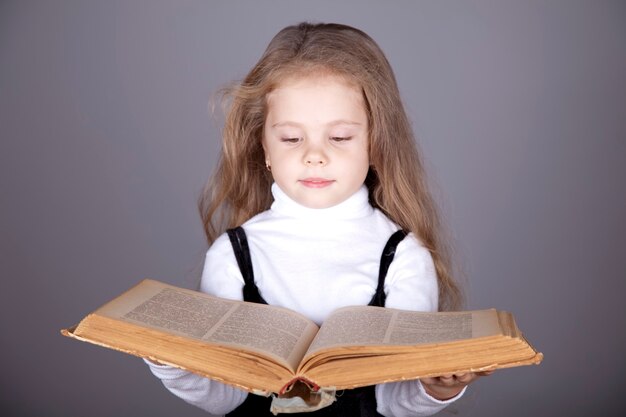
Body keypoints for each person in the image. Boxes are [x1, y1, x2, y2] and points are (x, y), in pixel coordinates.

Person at [146, 22, 492, 416]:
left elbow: (397, 403)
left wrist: (436, 388)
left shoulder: (402, 257)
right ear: (264, 147)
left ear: (376, 143)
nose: (315, 155)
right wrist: (171, 362)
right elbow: (224, 395)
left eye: (340, 137)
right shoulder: (233, 254)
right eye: (292, 138)